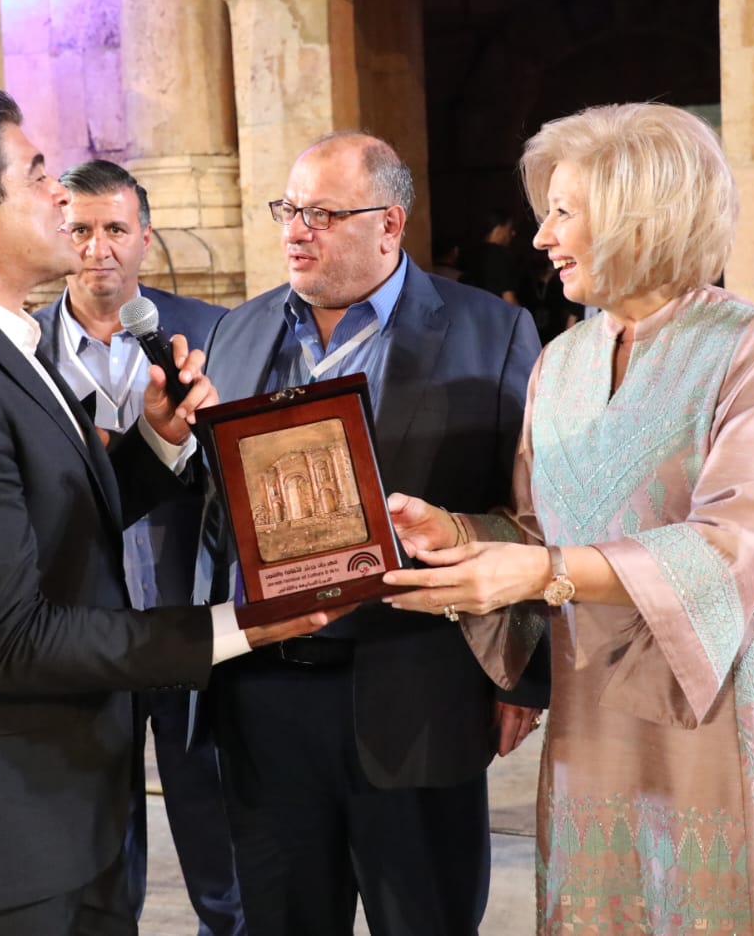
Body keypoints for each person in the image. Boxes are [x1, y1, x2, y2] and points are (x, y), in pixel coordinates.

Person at [382, 103, 754, 934]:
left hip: (736, 681)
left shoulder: (750, 341)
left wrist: (541, 572)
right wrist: (456, 533)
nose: (542, 238)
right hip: (598, 696)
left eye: (562, 213)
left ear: (640, 217)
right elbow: (538, 531)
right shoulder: (559, 361)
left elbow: (733, 536)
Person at [0, 83, 337, 936]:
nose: (59, 197)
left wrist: (157, 444)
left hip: (62, 797)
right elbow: (8, 638)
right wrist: (235, 626)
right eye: (35, 176)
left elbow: (43, 516)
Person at [196, 131, 544, 935]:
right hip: (264, 696)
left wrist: (520, 675)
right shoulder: (236, 331)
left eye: (321, 214)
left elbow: (530, 509)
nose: (295, 231)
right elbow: (215, 516)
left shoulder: (488, 332)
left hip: (415, 687)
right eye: (288, 210)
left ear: (389, 223)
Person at [33, 159, 242, 936]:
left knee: (218, 840)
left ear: (144, 238)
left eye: (116, 229)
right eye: (81, 230)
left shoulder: (216, 333)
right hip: (78, 629)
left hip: (189, 615)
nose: (98, 249)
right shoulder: (19, 350)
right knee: (96, 850)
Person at [459, 209, 519, 304]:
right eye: (510, 229)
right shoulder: (501, 255)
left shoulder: (468, 254)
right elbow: (509, 298)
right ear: (498, 229)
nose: (513, 233)